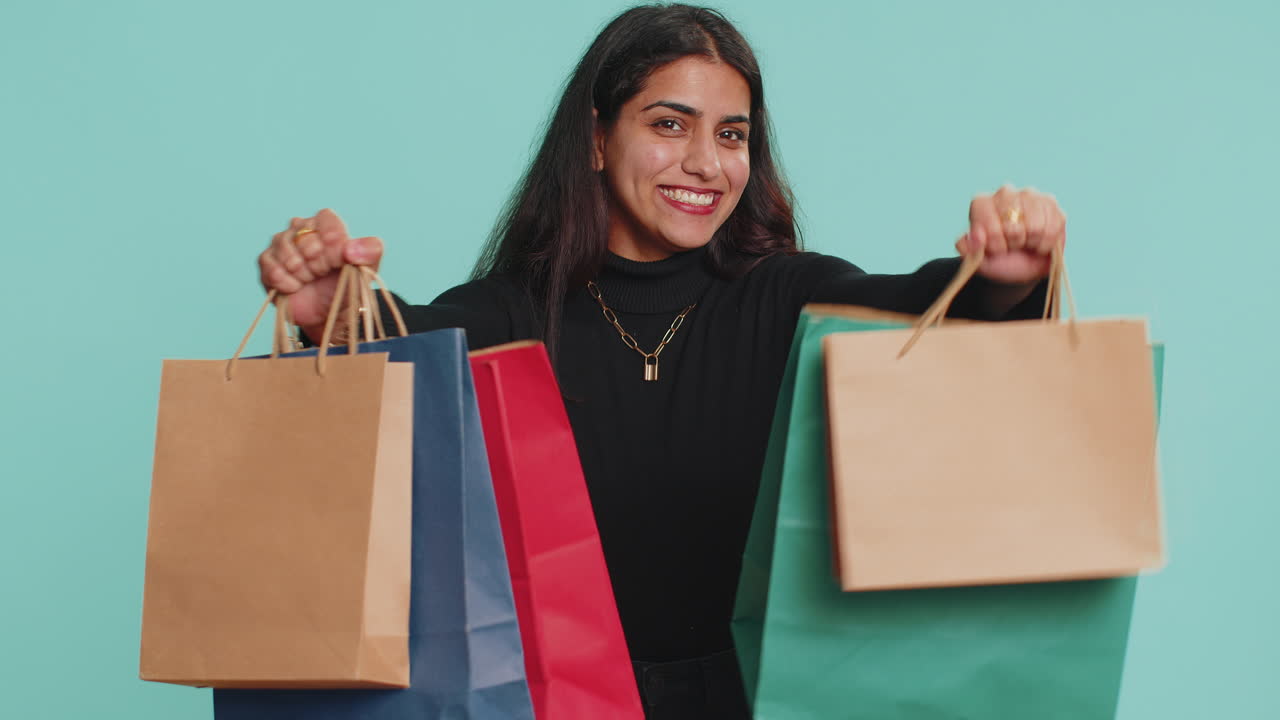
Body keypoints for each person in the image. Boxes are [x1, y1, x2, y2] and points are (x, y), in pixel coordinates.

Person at [257, 4, 1064, 718]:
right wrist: (327, 305)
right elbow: (404, 345)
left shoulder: (789, 295)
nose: (707, 165)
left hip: (770, 698)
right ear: (599, 139)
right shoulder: (509, 309)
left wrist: (1005, 276)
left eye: (732, 135)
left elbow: (924, 309)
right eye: (669, 125)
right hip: (546, 702)